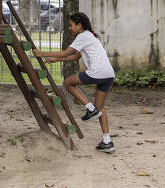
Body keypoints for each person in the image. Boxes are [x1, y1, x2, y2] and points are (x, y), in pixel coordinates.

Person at [32, 12, 116, 153]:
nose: (70, 28)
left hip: (97, 72)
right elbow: (75, 57)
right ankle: (107, 141)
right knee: (100, 108)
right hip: (108, 74)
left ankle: (90, 109)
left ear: (79, 25)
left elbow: (66, 52)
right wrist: (55, 60)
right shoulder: (90, 36)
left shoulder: (82, 36)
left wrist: (42, 53)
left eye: (71, 25)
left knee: (68, 83)